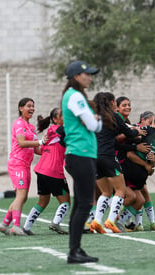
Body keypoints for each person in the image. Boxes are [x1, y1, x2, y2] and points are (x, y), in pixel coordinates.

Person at [62, 60, 101, 264]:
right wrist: (98, 119)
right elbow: (93, 125)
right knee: (84, 204)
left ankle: (75, 250)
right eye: (87, 74)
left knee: (80, 204)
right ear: (77, 76)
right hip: (81, 154)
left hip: (79, 154)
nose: (90, 78)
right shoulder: (75, 96)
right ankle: (74, 251)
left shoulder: (72, 95)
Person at [89, 92, 143, 234]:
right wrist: (137, 131)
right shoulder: (114, 116)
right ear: (112, 103)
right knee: (121, 190)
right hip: (108, 156)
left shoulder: (93, 118)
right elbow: (129, 134)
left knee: (105, 192)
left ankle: (97, 222)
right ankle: (111, 221)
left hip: (93, 157)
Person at [0, 98, 46, 236]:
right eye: (28, 106)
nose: (32, 108)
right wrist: (41, 141)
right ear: (20, 108)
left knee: (22, 197)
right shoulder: (19, 123)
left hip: (26, 165)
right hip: (17, 164)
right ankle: (16, 226)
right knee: (21, 195)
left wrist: (49, 151)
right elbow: (22, 142)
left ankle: (4, 223)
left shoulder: (31, 127)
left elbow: (36, 149)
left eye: (33, 106)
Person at [116, 113, 155, 231]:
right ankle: (114, 220)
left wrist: (149, 164)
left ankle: (119, 221)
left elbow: (130, 151)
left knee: (140, 200)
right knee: (135, 197)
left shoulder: (147, 130)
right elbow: (153, 168)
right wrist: (150, 164)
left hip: (132, 172)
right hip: (131, 172)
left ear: (154, 123)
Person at [22, 108, 71, 235]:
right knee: (65, 202)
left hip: (42, 170)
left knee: (43, 201)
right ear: (55, 120)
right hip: (54, 171)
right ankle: (55, 223)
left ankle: (26, 227)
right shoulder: (57, 130)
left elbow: (40, 150)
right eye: (63, 115)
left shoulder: (51, 133)